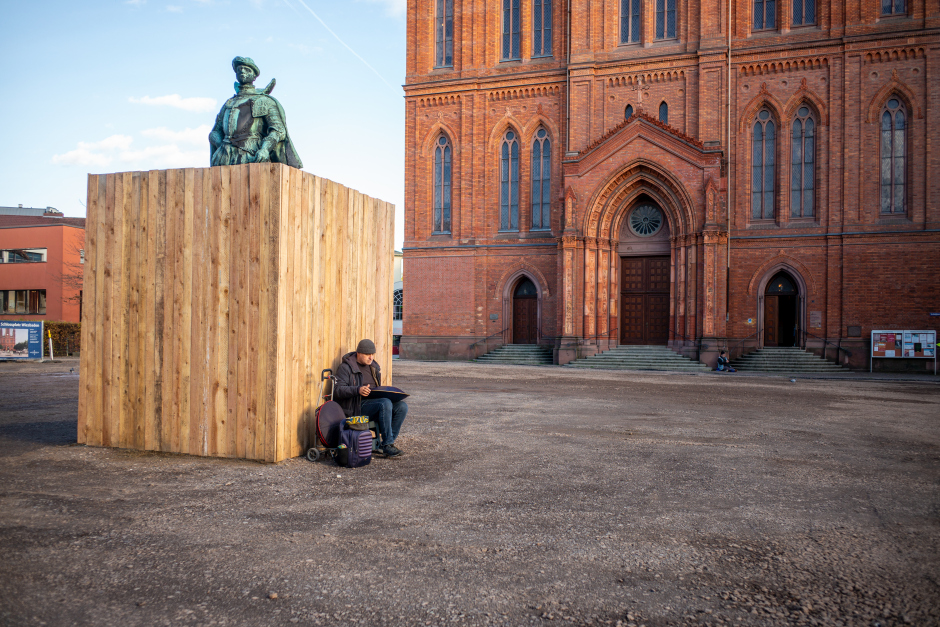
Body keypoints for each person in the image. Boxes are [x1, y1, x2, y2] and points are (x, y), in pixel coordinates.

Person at [208, 56, 303, 168]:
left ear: (254, 76)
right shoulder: (229, 103)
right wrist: (221, 146)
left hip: (251, 155)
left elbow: (278, 130)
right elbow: (215, 132)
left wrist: (264, 149)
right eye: (239, 69)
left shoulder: (264, 101)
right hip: (223, 158)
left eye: (247, 70)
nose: (242, 71)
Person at [334, 339, 407, 458]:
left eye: (372, 354)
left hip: (375, 404)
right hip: (356, 407)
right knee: (385, 403)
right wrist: (358, 390)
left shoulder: (373, 367)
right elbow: (337, 390)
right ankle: (388, 444)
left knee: (402, 406)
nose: (371, 357)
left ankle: (387, 444)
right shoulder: (346, 367)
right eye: (368, 354)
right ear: (358, 353)